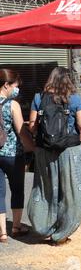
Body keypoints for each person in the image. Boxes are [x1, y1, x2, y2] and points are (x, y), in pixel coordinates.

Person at [28, 66, 81, 246]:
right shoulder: (74, 99)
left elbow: (32, 126)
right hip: (69, 150)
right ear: (68, 80)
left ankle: (43, 227)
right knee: (72, 191)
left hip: (44, 150)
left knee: (45, 189)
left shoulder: (39, 98)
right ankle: (62, 233)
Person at [0, 69, 34, 244]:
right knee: (17, 190)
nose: (17, 89)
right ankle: (16, 227)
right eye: (15, 86)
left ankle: (2, 233)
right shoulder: (12, 105)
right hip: (13, 154)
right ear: (6, 85)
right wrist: (32, 147)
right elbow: (21, 131)